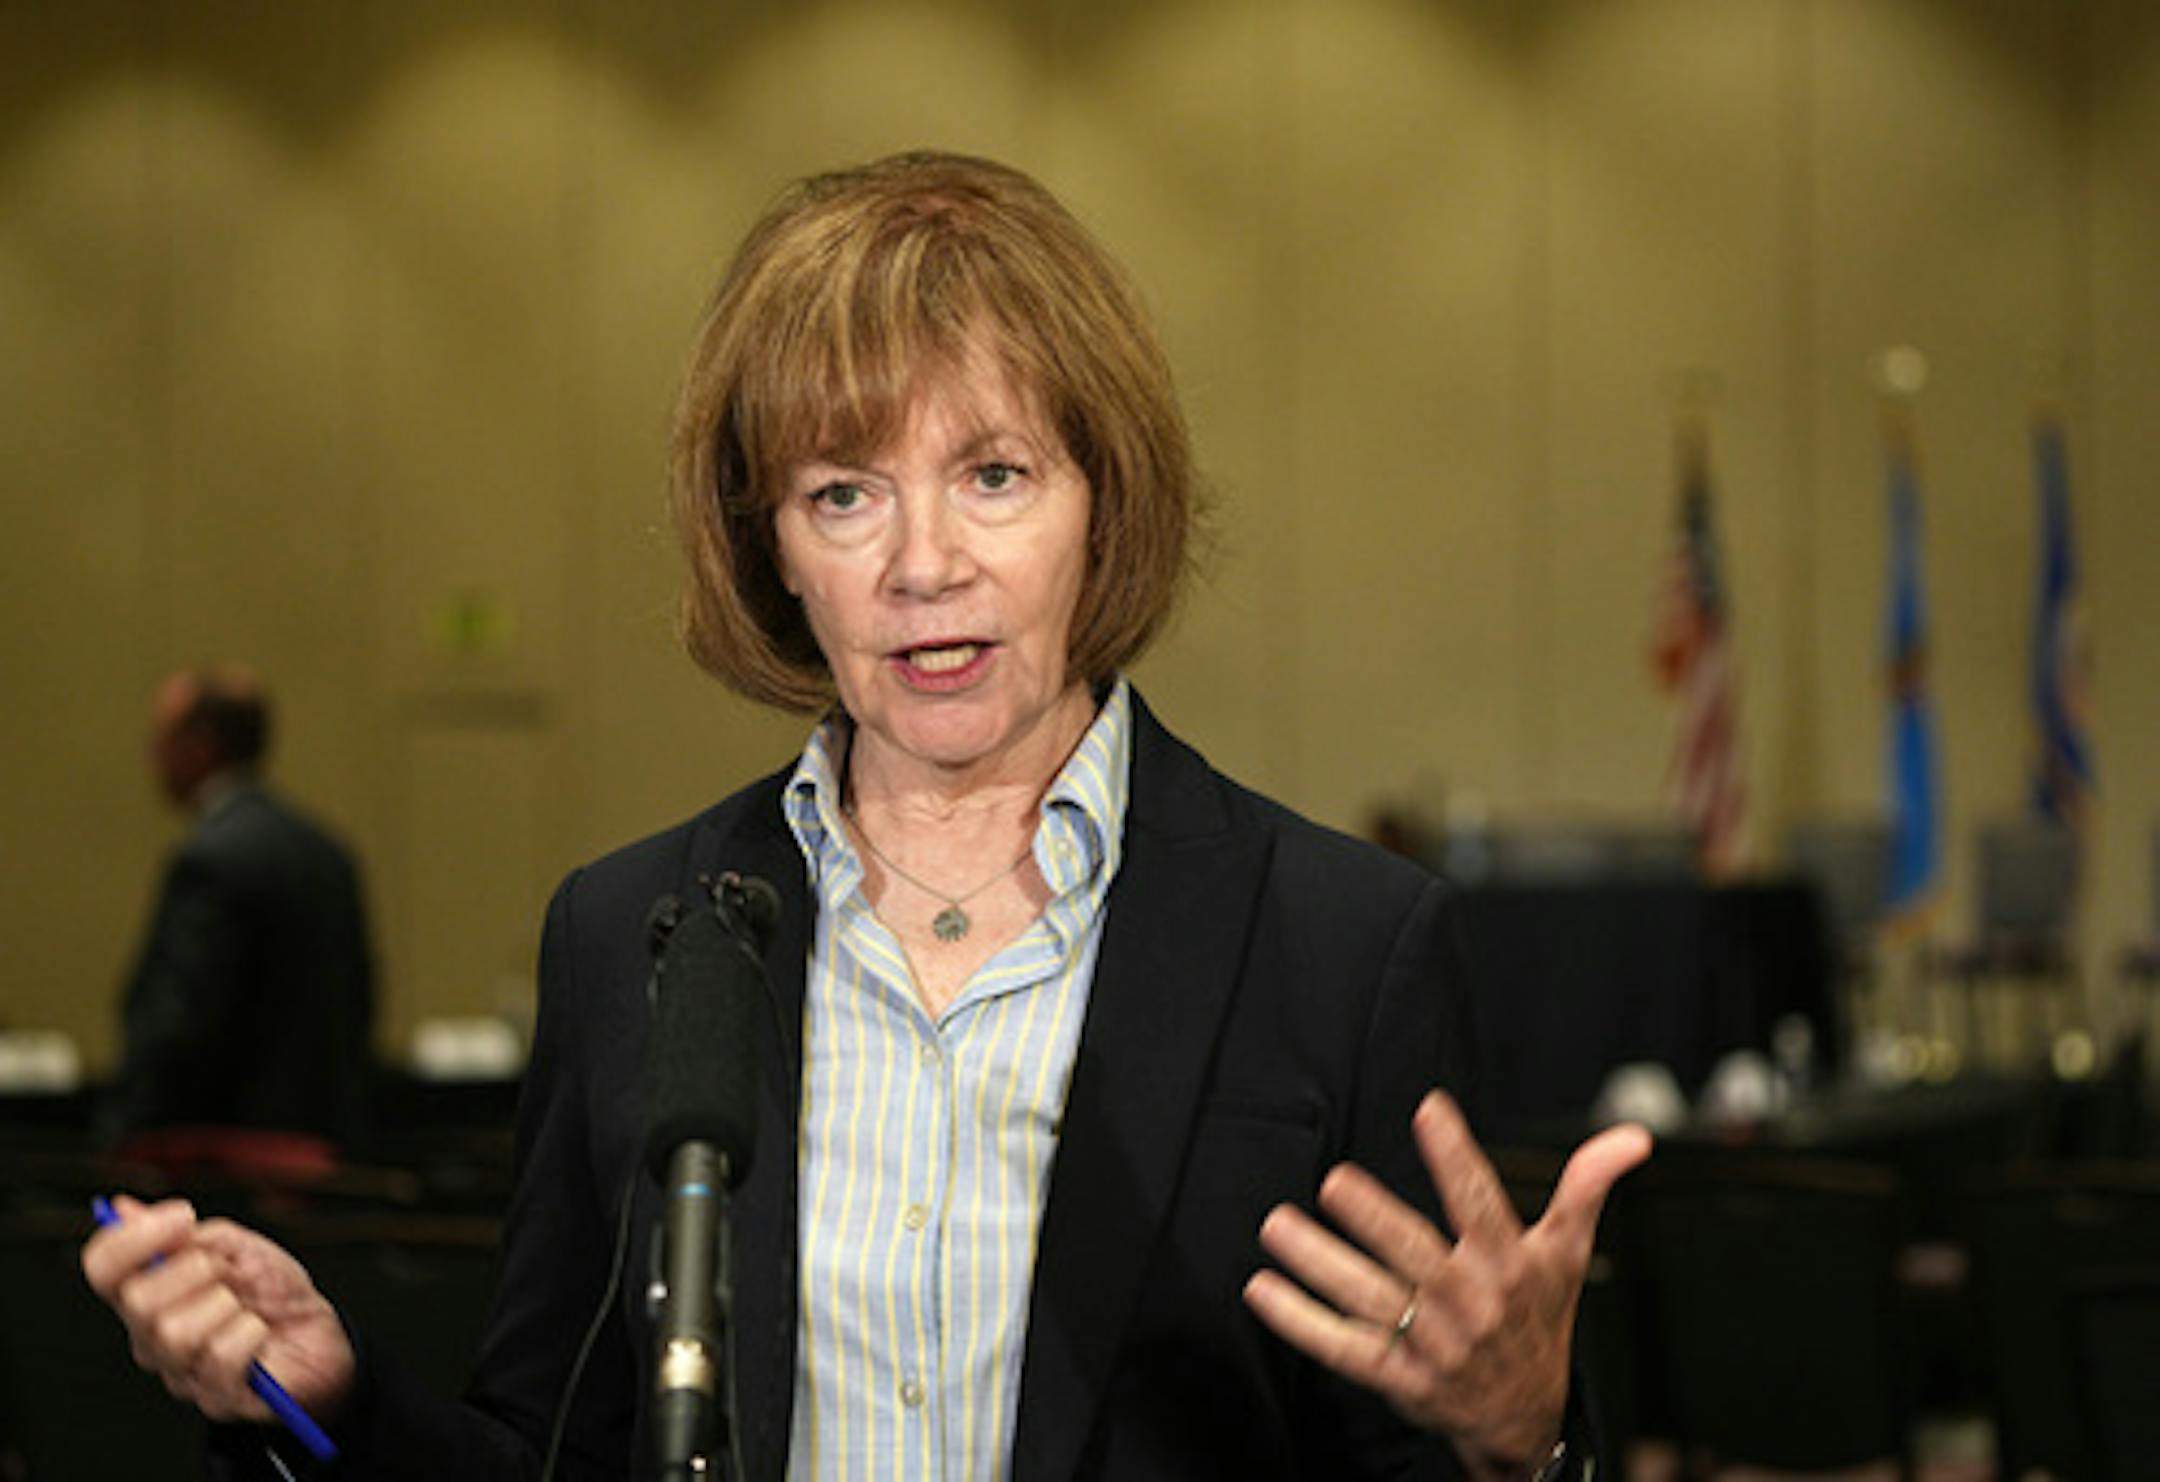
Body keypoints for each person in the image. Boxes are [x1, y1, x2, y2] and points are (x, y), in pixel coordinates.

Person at [84, 152, 1649, 1480]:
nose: (921, 562)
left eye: (993, 474)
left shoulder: (1340, 944)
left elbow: (1427, 1433)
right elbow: (552, 1441)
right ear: (771, 545)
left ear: (1102, 501)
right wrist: (327, 1388)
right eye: (844, 492)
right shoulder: (629, 929)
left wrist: (1524, 1439)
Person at [103, 665, 375, 1154]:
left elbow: (180, 1025)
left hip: (232, 1158)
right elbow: (361, 996)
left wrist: (122, 1132)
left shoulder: (210, 859)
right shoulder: (327, 851)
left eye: (160, 740)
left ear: (201, 746)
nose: (151, 759)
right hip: (324, 1151)